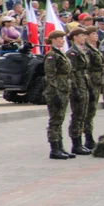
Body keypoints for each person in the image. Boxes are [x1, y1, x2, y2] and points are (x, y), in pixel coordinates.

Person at [43, 30, 73, 160]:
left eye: (62, 38)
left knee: (60, 119)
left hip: (63, 89)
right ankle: (54, 148)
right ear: (53, 39)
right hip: (56, 91)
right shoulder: (51, 55)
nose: (62, 40)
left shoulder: (60, 53)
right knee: (55, 120)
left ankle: (60, 147)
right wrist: (55, 93)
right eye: (60, 38)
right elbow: (50, 75)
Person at [66, 27, 92, 156]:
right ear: (75, 37)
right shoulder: (72, 52)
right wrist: (74, 89)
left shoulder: (82, 50)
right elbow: (71, 72)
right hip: (77, 85)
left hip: (83, 84)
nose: (84, 38)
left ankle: (80, 143)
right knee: (77, 114)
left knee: (83, 114)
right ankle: (76, 144)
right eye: (82, 35)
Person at [82, 26, 103, 151]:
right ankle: (87, 138)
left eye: (96, 33)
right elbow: (86, 68)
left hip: (96, 82)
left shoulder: (94, 48)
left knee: (92, 111)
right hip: (90, 83)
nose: (96, 35)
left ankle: (89, 137)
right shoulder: (87, 50)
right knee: (88, 112)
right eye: (93, 33)